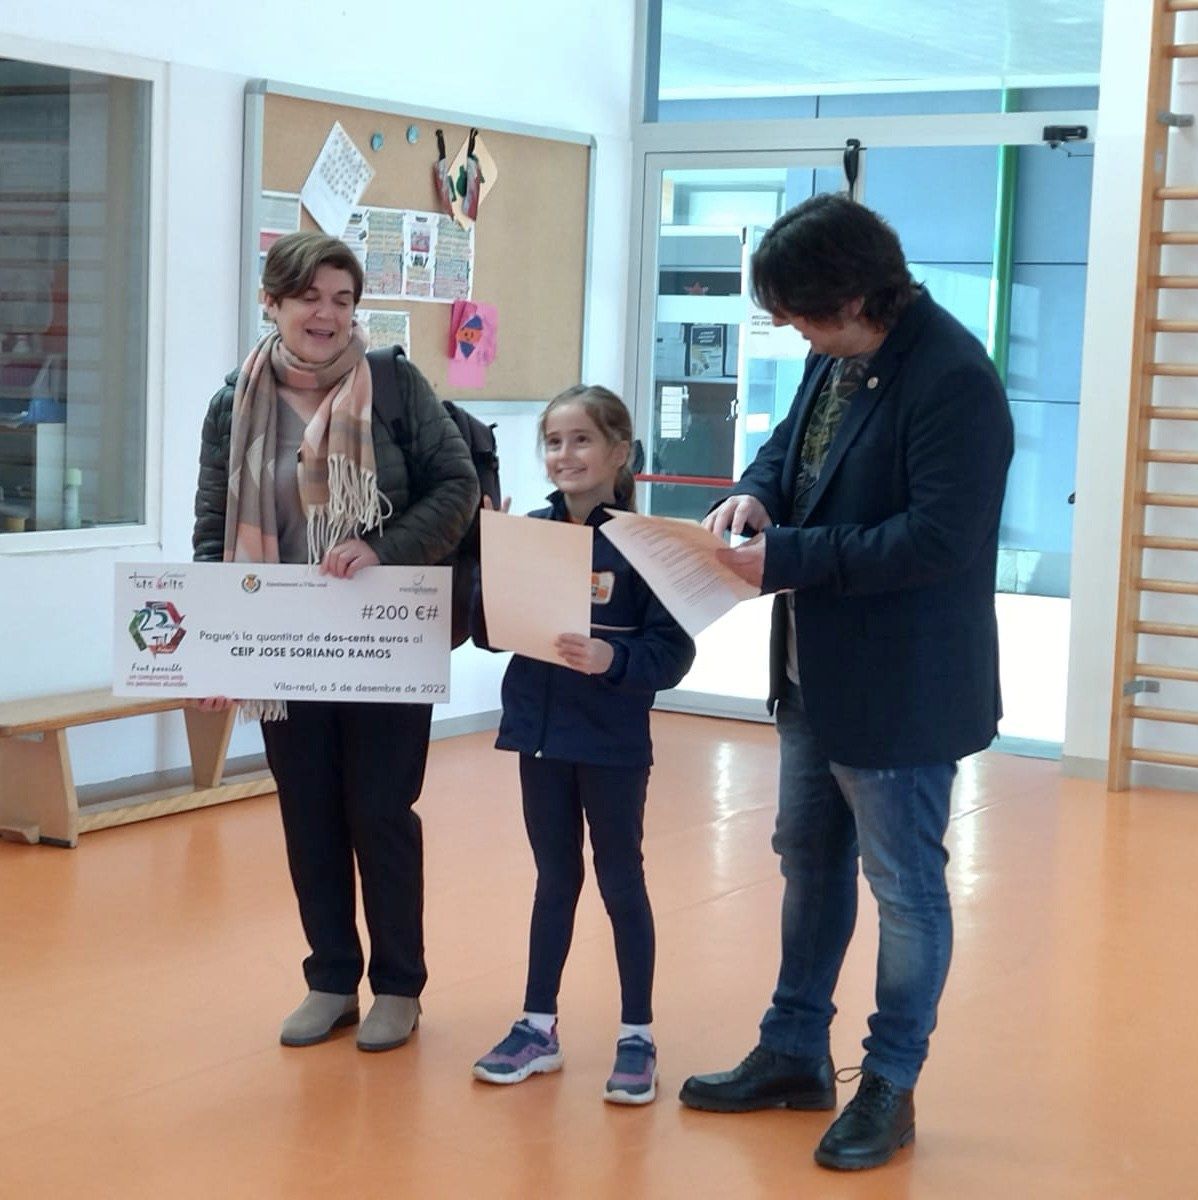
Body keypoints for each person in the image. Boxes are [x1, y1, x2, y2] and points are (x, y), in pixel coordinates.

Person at [677, 194, 1013, 1170]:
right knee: (808, 861)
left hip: (902, 685)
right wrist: (753, 494)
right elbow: (790, 452)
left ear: (859, 297)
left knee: (904, 888)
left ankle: (890, 1083)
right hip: (813, 672)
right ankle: (792, 1051)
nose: (796, 334)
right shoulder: (839, 353)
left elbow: (938, 540)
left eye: (803, 317)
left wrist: (788, 555)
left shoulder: (954, 379)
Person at [192, 231, 479, 1052]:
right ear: (272, 303)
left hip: (385, 638)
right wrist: (213, 647)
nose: (326, 314)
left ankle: (398, 988)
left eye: (342, 299)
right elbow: (214, 524)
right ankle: (329, 980)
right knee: (308, 814)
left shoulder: (392, 383)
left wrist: (383, 548)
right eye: (309, 297)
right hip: (284, 642)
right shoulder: (235, 400)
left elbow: (457, 485)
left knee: (381, 813)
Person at [469, 385, 695, 1104]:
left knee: (620, 880)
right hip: (539, 736)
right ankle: (538, 1026)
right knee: (554, 878)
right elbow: (488, 634)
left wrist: (613, 659)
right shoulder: (530, 532)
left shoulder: (646, 544)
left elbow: (673, 653)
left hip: (611, 742)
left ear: (619, 452)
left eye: (582, 439)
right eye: (554, 441)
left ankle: (638, 1036)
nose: (565, 454)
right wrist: (488, 563)